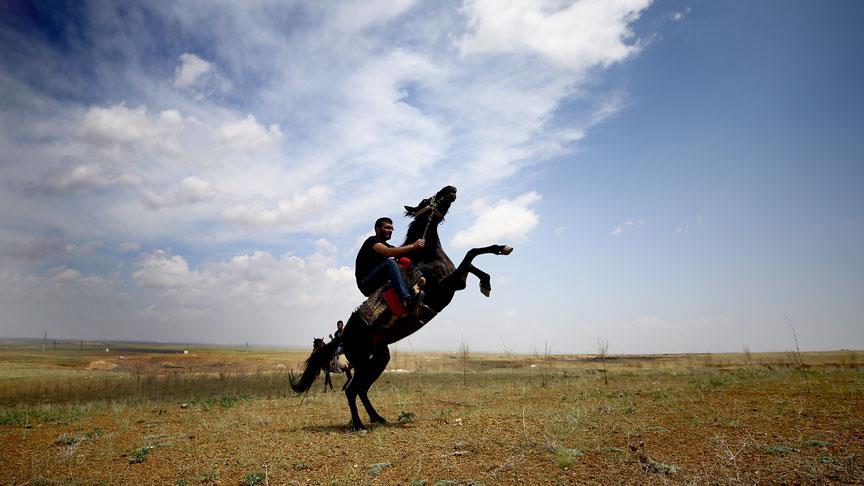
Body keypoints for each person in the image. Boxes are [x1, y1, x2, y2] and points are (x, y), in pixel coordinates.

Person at [355, 217, 425, 309]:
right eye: (387, 227)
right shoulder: (372, 241)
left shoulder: (387, 245)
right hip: (366, 283)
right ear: (377, 229)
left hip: (377, 278)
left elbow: (402, 253)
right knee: (390, 263)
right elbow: (388, 252)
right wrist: (413, 245)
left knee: (402, 260)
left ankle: (416, 283)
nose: (390, 230)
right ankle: (407, 299)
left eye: (392, 228)